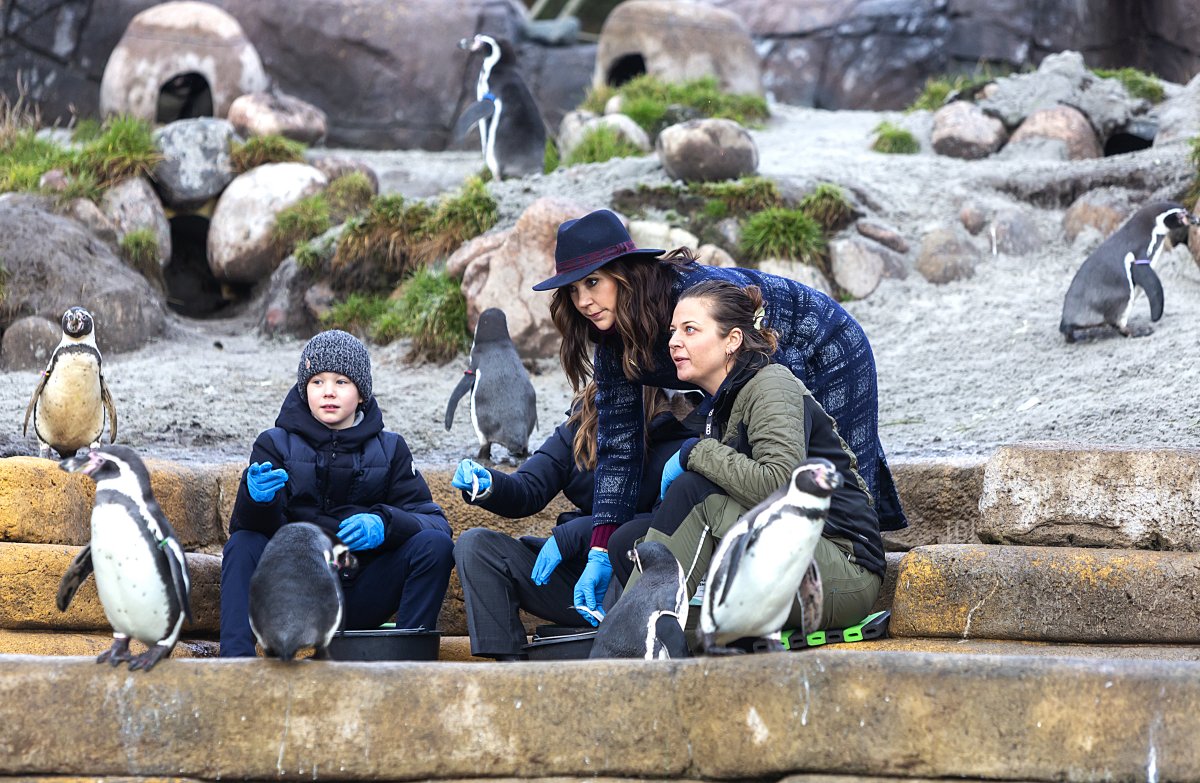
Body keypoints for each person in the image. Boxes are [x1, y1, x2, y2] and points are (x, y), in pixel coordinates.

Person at [531, 209, 902, 623]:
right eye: (573, 289)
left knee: (821, 459)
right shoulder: (613, 343)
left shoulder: (693, 297)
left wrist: (703, 452)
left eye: (593, 282)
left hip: (821, 343)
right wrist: (600, 548)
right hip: (757, 376)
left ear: (626, 274)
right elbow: (619, 448)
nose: (583, 301)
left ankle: (849, 575)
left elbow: (765, 388)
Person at [633, 280, 884, 631]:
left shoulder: (771, 385)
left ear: (732, 341)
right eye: (673, 331)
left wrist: (696, 452)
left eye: (690, 330)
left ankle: (633, 640)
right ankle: (639, 633)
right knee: (629, 541)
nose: (674, 341)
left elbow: (781, 484)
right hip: (787, 563)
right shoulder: (721, 404)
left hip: (840, 572)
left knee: (695, 492)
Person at [219, 330, 455, 657]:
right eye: (317, 382)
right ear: (304, 391)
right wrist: (257, 500)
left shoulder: (391, 449)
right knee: (242, 543)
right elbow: (251, 531)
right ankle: (233, 663)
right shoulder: (273, 444)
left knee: (435, 545)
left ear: (361, 394)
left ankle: (407, 661)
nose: (328, 392)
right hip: (294, 598)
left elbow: (436, 523)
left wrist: (385, 524)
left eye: (341, 382)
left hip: (361, 591)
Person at [451, 384, 697, 659]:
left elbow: (661, 524)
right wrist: (489, 484)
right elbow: (529, 488)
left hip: (628, 584)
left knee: (628, 547)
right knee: (475, 546)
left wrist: (573, 536)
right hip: (574, 577)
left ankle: (614, 652)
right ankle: (511, 669)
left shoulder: (680, 435)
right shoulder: (583, 423)